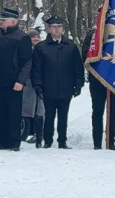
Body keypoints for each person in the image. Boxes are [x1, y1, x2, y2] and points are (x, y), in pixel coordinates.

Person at [30, 16, 84, 149]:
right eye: (54, 27)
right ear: (49, 29)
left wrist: (78, 84)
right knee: (49, 116)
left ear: (63, 29)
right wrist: (37, 85)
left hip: (66, 87)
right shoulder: (41, 48)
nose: (57, 29)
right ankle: (48, 141)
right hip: (48, 87)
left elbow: (78, 67)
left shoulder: (71, 47)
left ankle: (62, 141)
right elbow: (36, 69)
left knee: (63, 116)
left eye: (59, 26)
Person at [0, 8, 32, 151]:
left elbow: (27, 62)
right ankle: (3, 141)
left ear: (13, 21)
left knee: (13, 113)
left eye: (3, 20)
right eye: (1, 20)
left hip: (14, 82)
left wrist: (21, 81)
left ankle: (14, 142)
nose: (1, 22)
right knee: (0, 112)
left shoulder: (22, 38)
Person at [81, 27, 115, 150]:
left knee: (113, 111)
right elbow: (85, 55)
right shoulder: (93, 35)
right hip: (97, 79)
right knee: (97, 111)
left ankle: (110, 142)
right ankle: (97, 143)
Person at [20, 29, 44, 147]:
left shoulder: (43, 50)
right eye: (33, 37)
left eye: (37, 37)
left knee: (40, 110)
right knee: (26, 110)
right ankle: (24, 133)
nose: (36, 39)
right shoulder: (25, 51)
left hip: (40, 83)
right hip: (28, 83)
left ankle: (39, 135)